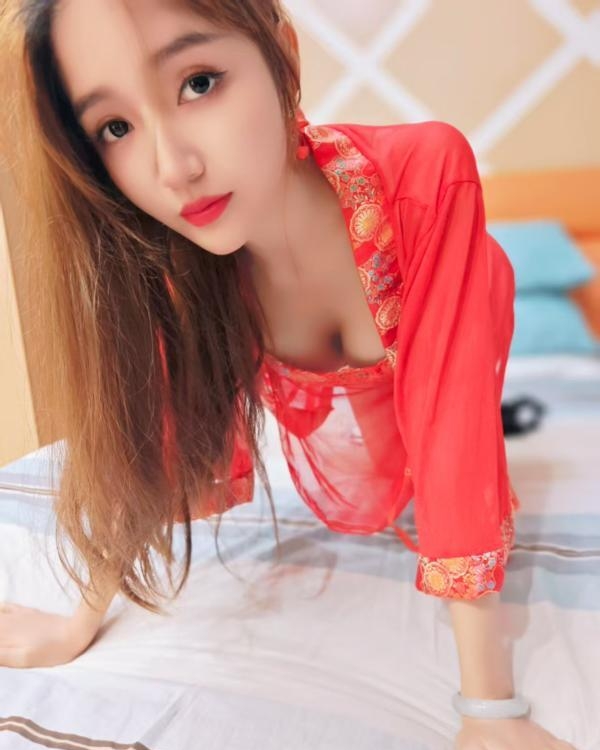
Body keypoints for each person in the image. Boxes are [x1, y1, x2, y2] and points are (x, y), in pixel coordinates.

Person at [0, 2, 577, 748]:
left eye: (199, 82)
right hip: (372, 374)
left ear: (286, 57)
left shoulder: (426, 178)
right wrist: (77, 621)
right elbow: (152, 445)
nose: (174, 169)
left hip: (460, 325)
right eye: (115, 127)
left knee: (428, 447)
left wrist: (490, 711)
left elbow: (453, 423)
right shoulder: (180, 268)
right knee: (385, 467)